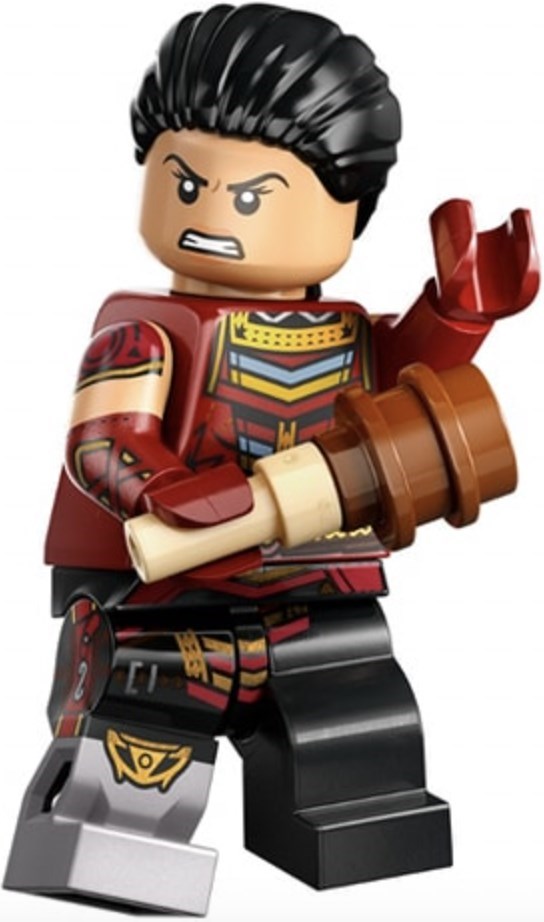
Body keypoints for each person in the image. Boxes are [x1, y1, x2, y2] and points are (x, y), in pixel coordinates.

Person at [4, 5, 538, 914]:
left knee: (360, 739)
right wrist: (162, 489)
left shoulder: (349, 336)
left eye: (253, 198)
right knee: (142, 747)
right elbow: (100, 441)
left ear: (349, 212)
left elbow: (408, 392)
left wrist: (456, 317)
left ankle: (360, 841)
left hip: (320, 594)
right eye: (184, 184)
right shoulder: (145, 331)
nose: (214, 217)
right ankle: (109, 859)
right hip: (165, 601)